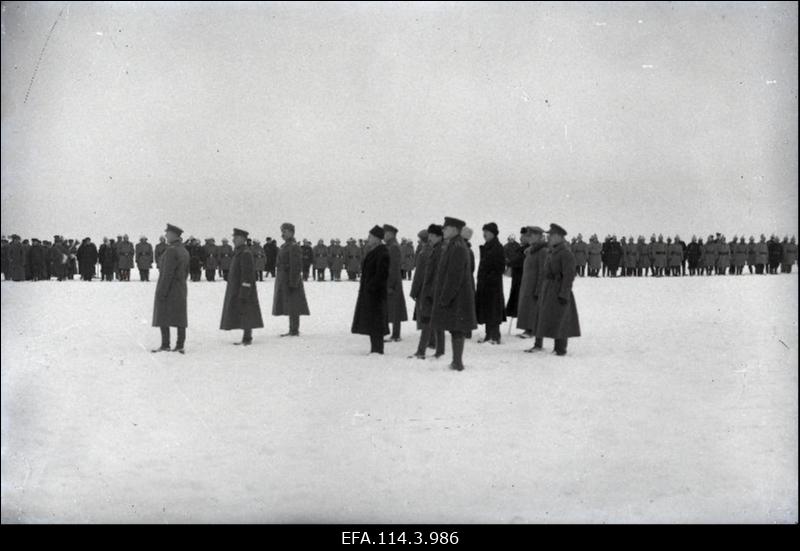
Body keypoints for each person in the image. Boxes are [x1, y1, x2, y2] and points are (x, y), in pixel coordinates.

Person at [430, 217, 477, 371]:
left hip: (457, 296)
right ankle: (456, 361)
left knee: (457, 328)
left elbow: (454, 276)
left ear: (455, 229)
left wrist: (445, 297)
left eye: (446, 227)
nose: (443, 230)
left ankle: (457, 362)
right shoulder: (454, 245)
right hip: (457, 295)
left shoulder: (457, 247)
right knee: (455, 327)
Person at [536, 224, 581, 356]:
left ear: (559, 237)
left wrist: (564, 293)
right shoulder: (553, 251)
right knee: (552, 317)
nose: (549, 237)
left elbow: (569, 276)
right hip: (549, 288)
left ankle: (561, 348)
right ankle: (556, 347)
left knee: (561, 318)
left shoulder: (566, 253)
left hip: (559, 289)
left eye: (551, 235)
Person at [220, 228, 264, 345]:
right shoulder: (239, 252)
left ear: (243, 239)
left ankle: (247, 337)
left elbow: (248, 275)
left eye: (236, 237)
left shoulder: (245, 253)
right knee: (243, 311)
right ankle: (246, 336)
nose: (233, 239)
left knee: (247, 311)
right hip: (237, 288)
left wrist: (245, 290)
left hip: (243, 289)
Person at [351, 225, 390, 354]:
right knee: (372, 321)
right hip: (371, 293)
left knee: (376, 322)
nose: (368, 239)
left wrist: (371, 288)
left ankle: (378, 350)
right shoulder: (374, 251)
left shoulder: (382, 253)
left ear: (378, 239)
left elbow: (381, 275)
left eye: (370, 236)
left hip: (376, 294)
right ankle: (375, 349)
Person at [409, 224, 446, 359]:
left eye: (431, 235)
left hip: (431, 292)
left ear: (438, 236)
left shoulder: (434, 251)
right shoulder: (436, 249)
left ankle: (421, 351)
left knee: (426, 321)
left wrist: (428, 292)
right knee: (436, 322)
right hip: (432, 291)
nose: (429, 238)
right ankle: (439, 350)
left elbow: (431, 274)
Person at [151, 224, 190, 353]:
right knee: (180, 316)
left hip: (169, 289)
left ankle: (165, 344)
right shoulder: (183, 250)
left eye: (168, 233)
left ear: (174, 235)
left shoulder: (171, 250)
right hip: (180, 288)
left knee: (163, 315)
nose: (166, 235)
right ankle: (180, 345)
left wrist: (162, 291)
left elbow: (167, 274)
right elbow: (186, 272)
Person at [272, 223, 310, 337]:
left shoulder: (294, 246)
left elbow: (296, 265)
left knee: (294, 304)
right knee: (289, 304)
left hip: (291, 279)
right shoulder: (284, 246)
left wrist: (293, 281)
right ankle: (292, 329)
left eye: (285, 231)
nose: (282, 233)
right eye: (282, 231)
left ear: (292, 232)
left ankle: (294, 330)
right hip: (283, 279)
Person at [475, 222, 506, 344]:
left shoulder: (498, 247)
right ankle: (489, 335)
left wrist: (489, 277)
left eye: (487, 232)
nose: (484, 234)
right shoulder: (487, 246)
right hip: (484, 284)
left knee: (494, 310)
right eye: (484, 232)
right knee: (487, 309)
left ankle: (495, 336)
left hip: (493, 286)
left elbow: (500, 267)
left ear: (493, 233)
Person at [516, 226, 547, 349]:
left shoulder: (542, 251)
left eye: (532, 235)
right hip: (527, 285)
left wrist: (539, 289)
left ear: (539, 236)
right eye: (528, 235)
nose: (529, 237)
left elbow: (542, 271)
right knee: (527, 308)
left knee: (534, 309)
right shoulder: (531, 250)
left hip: (534, 286)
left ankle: (532, 331)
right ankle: (528, 329)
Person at [383, 224, 408, 342]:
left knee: (395, 308)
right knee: (392, 308)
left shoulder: (393, 247)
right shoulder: (390, 246)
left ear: (391, 234)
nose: (384, 235)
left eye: (386, 233)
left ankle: (396, 334)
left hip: (393, 282)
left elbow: (393, 267)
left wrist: (390, 284)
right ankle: (394, 334)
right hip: (391, 280)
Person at [504, 230, 525, 319]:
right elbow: (504, 253)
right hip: (513, 268)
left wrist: (511, 262)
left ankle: (514, 310)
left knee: (517, 292)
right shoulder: (506, 246)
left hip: (518, 271)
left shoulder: (519, 246)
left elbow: (519, 259)